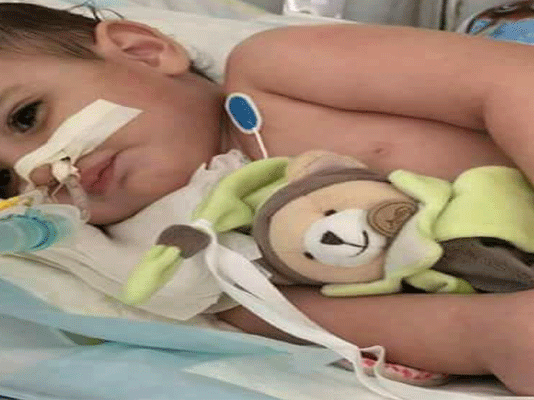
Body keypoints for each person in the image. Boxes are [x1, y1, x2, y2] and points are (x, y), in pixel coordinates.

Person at [0, 1, 533, 395]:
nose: (38, 170)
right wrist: (500, 337)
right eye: (4, 181)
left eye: (26, 117)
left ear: (144, 52)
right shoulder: (200, 269)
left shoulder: (276, 73)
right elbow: (464, 333)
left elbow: (505, 81)